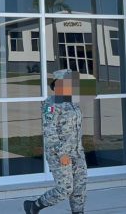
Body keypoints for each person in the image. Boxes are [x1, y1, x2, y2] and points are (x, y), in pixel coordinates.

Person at [24, 69, 87, 214]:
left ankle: (78, 212)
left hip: (77, 152)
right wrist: (62, 153)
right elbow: (49, 132)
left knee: (80, 188)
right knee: (65, 189)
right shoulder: (50, 104)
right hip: (59, 153)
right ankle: (34, 206)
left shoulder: (73, 102)